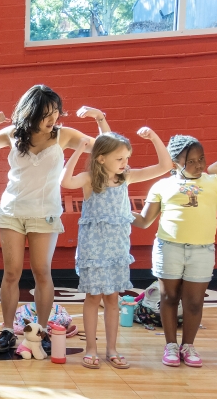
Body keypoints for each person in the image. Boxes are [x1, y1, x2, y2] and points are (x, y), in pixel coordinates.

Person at [0, 84, 109, 353]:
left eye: (56, 113)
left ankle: (41, 330)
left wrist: (99, 118)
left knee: (42, 272)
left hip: (45, 213)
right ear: (31, 113)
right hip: (12, 211)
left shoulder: (63, 135)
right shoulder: (14, 133)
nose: (53, 119)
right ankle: (8, 330)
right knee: (11, 273)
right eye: (47, 114)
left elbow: (107, 146)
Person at [61, 128, 174, 369]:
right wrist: (79, 150)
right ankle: (91, 348)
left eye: (127, 158)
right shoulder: (90, 178)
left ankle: (111, 349)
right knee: (93, 297)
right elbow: (65, 181)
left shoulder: (126, 178)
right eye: (120, 158)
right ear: (101, 158)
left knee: (113, 298)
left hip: (117, 249)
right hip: (93, 248)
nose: (125, 163)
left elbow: (164, 166)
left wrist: (154, 137)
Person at [134, 135, 217, 368]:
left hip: (202, 250)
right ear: (175, 162)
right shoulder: (162, 186)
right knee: (169, 297)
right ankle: (171, 346)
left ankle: (189, 346)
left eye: (201, 159)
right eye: (191, 161)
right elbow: (144, 221)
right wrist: (118, 209)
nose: (198, 165)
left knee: (194, 302)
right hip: (169, 248)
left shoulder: (216, 182)